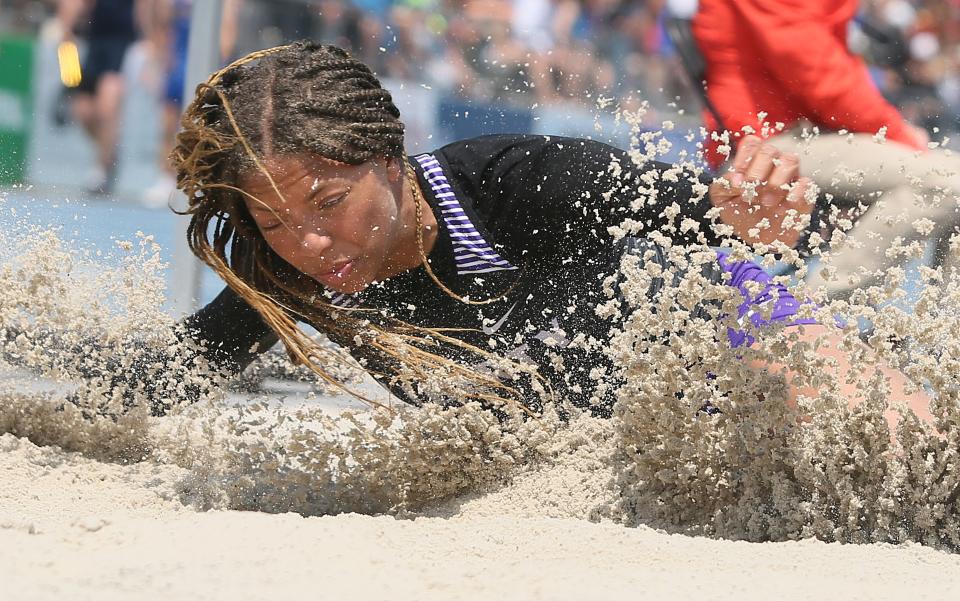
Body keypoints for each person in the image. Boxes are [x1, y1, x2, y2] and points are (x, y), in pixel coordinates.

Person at [162, 42, 929, 427]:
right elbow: (171, 373)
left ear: (389, 160)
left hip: (731, 331)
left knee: (901, 444)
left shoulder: (518, 179)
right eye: (273, 222)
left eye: (328, 202)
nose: (310, 242)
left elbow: (688, 207)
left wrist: (749, 216)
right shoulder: (284, 268)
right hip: (628, 445)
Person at [692, 0, 960, 300]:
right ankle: (818, 318)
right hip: (766, 146)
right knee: (948, 182)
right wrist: (901, 134)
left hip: (807, 136)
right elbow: (818, 75)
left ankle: (944, 342)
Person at [57, 0, 141, 195]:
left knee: (107, 108)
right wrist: (67, 31)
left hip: (123, 45)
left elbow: (147, 11)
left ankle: (102, 168)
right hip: (93, 47)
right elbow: (71, 11)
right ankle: (109, 153)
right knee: (83, 111)